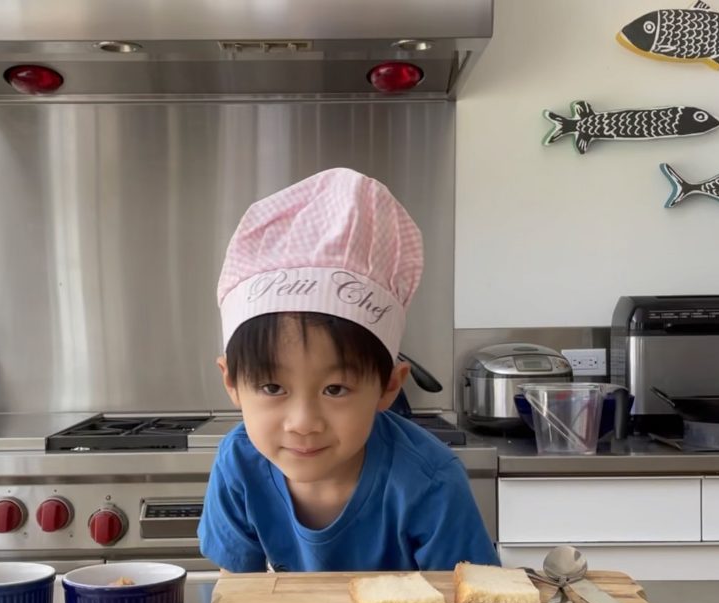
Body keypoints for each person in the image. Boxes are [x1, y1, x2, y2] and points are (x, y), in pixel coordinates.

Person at [199, 168, 499, 573]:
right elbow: (237, 596)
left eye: (336, 389)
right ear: (232, 383)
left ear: (389, 387)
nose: (303, 423)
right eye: (272, 387)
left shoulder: (431, 481)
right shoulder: (239, 464)